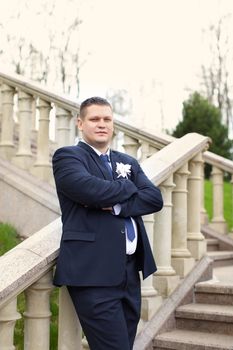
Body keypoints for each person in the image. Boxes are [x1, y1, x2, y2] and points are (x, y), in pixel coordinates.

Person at [52, 96, 163, 350]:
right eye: (94, 119)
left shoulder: (127, 161)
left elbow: (154, 198)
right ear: (80, 123)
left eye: (107, 119)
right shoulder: (68, 157)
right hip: (93, 274)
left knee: (124, 344)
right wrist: (128, 186)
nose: (101, 124)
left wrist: (117, 204)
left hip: (129, 274)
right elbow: (88, 190)